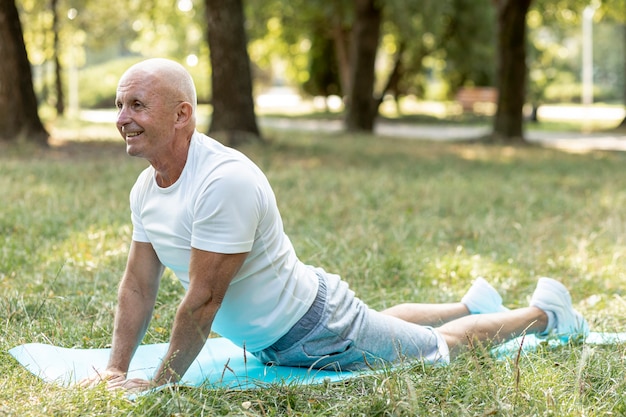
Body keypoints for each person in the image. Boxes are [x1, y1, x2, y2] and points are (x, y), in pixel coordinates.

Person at [81, 58, 589, 392]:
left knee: (440, 350)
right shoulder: (147, 188)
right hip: (300, 322)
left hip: (319, 331)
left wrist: (162, 383)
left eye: (138, 105)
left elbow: (203, 301)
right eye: (120, 104)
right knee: (383, 323)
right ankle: (469, 303)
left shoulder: (223, 182)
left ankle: (543, 313)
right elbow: (138, 286)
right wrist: (116, 370)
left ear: (182, 114)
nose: (123, 117)